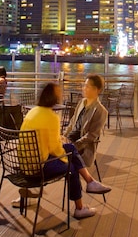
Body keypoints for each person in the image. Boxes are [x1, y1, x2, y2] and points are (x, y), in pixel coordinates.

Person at [18, 82, 111, 218]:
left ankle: (90, 182)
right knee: (71, 168)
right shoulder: (51, 117)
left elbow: (43, 140)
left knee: (69, 147)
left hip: (25, 163)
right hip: (38, 166)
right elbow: (55, 149)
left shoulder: (33, 112)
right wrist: (65, 158)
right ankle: (80, 207)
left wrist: (62, 143)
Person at [63, 74, 108, 168]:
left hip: (82, 148)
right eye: (84, 86)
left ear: (97, 90)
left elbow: (91, 136)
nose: (84, 88)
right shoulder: (81, 103)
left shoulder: (100, 111)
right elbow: (72, 123)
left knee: (55, 156)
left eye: (87, 86)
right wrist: (64, 136)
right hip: (70, 141)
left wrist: (74, 145)